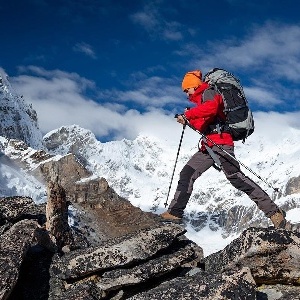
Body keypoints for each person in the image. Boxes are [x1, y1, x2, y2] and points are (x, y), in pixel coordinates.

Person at [160, 69, 296, 231]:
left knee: (236, 178)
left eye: (186, 89)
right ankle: (175, 213)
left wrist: (189, 115)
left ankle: (274, 213)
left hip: (220, 143)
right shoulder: (203, 99)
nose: (186, 92)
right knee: (187, 173)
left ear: (194, 85)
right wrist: (189, 119)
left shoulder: (208, 92)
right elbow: (206, 122)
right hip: (209, 145)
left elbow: (211, 108)